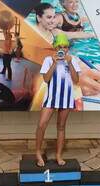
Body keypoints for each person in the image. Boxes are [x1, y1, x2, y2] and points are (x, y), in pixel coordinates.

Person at [35, 33, 81, 167]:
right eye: (60, 46)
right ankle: (38, 152)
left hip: (66, 99)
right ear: (55, 47)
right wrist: (54, 63)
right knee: (41, 125)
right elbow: (46, 79)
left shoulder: (73, 59)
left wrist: (70, 62)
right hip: (51, 98)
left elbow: (76, 80)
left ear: (68, 48)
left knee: (61, 127)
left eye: (65, 46)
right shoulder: (49, 60)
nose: (63, 49)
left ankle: (59, 155)